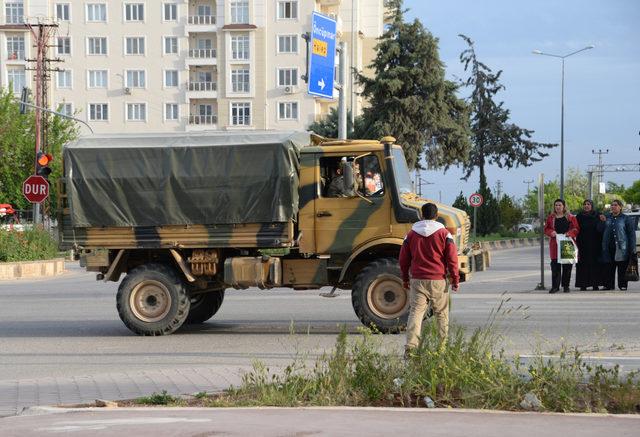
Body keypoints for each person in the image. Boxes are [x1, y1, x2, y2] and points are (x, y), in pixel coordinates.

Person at [399, 202, 459, 356]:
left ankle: (411, 349)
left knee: (416, 313)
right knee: (441, 314)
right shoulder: (444, 234)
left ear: (421, 215)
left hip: (418, 280)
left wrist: (405, 278)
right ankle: (442, 349)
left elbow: (403, 260)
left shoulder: (411, 234)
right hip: (438, 280)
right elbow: (452, 259)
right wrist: (455, 279)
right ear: (437, 215)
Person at [544, 199, 579, 293]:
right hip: (555, 244)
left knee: (567, 266)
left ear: (564, 206)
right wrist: (551, 232)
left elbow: (576, 229)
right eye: (556, 205)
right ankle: (555, 286)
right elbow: (546, 229)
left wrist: (570, 233)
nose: (557, 207)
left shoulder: (570, 217)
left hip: (567, 243)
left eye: (559, 205)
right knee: (555, 265)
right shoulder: (551, 218)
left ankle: (566, 286)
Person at [600, 199, 636, 291]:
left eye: (615, 205)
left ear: (620, 207)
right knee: (608, 267)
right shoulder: (607, 217)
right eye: (612, 205)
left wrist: (632, 249)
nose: (613, 207)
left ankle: (622, 285)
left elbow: (631, 235)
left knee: (622, 267)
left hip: (621, 247)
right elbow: (599, 230)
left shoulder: (626, 218)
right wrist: (602, 222)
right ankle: (608, 285)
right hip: (608, 247)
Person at [575, 199, 604, 291]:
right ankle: (583, 284)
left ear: (592, 206)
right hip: (582, 244)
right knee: (582, 264)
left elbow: (601, 228)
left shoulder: (598, 215)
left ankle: (595, 284)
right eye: (585, 204)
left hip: (595, 244)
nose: (586, 206)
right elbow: (576, 228)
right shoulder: (579, 216)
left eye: (588, 204)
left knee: (595, 264)